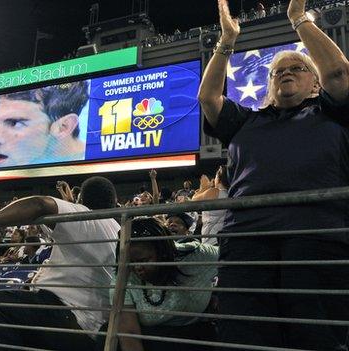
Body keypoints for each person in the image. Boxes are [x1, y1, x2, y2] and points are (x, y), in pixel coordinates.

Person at [198, 0, 349, 349]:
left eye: (297, 67)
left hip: (317, 240)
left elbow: (340, 73)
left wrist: (298, 19)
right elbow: (208, 96)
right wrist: (227, 41)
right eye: (278, 71)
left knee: (316, 338)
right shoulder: (247, 121)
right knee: (245, 336)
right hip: (246, 246)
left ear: (315, 82)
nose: (285, 73)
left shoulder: (332, 112)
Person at [0, 176, 120, 351]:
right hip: (87, 324)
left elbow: (39, 204)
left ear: (82, 200)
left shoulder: (84, 217)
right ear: (114, 201)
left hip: (71, 317)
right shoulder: (115, 227)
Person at [97, 217, 219, 351]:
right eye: (131, 262)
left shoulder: (197, 256)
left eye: (143, 260)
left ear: (163, 253)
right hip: (152, 337)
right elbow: (129, 334)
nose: (137, 267)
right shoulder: (123, 276)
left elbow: (235, 262)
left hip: (195, 334)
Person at [192, 166, 229, 246]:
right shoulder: (233, 194)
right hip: (226, 240)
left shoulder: (214, 192)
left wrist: (204, 187)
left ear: (219, 179)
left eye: (216, 176)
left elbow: (194, 200)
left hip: (212, 242)